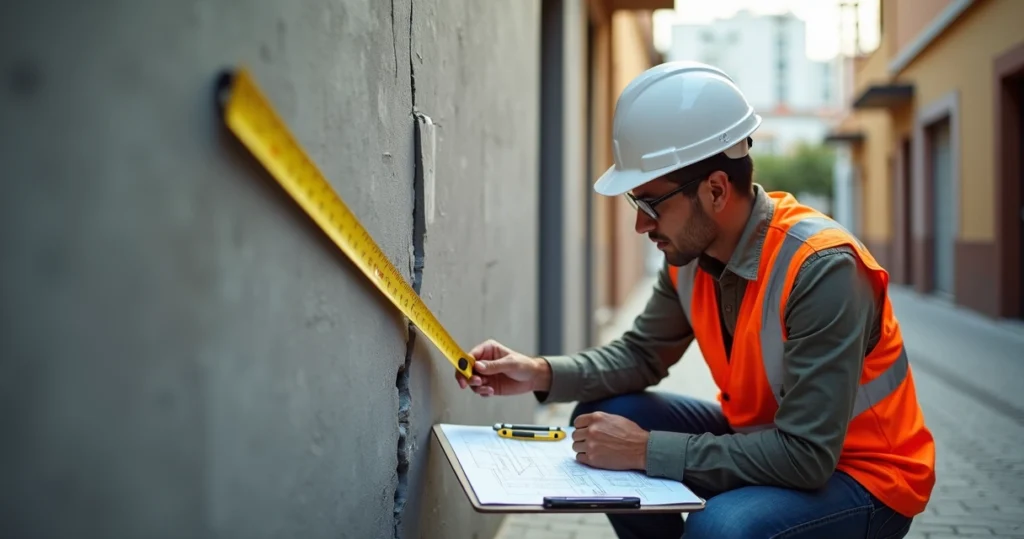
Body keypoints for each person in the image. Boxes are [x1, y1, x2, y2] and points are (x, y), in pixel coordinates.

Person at [455, 61, 936, 539]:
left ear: (715, 190)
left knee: (722, 527)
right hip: (766, 441)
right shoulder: (688, 257)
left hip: (864, 477)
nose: (641, 225)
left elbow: (807, 456)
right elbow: (641, 355)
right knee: (602, 419)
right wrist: (539, 372)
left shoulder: (821, 269)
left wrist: (646, 451)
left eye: (650, 204)